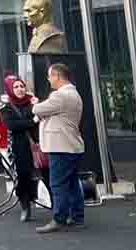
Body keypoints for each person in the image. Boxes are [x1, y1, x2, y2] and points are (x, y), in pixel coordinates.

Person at [32, 63, 85, 233]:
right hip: (71, 145)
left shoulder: (60, 96)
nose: (49, 80)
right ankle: (77, 217)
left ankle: (59, 219)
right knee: (72, 183)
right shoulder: (73, 93)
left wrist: (35, 102)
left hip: (61, 147)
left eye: (50, 76)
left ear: (57, 76)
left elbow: (37, 109)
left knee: (58, 185)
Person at [0, 75, 40, 222]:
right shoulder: (6, 106)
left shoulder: (33, 102)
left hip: (37, 145)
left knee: (44, 175)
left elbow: (41, 118)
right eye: (16, 87)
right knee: (22, 177)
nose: (20, 89)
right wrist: (32, 121)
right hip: (18, 147)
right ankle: (25, 206)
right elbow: (12, 125)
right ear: (10, 89)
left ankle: (56, 208)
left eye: (22, 86)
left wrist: (37, 107)